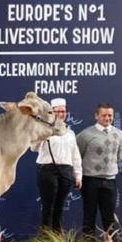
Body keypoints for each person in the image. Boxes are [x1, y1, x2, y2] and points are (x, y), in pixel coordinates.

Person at [76, 103, 122, 242]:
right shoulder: (85, 135)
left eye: (110, 115)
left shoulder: (120, 135)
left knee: (109, 217)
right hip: (90, 180)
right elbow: (78, 155)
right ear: (96, 116)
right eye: (103, 115)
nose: (107, 118)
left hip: (110, 180)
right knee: (89, 215)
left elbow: (118, 157)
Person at [31, 97, 82, 234]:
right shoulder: (44, 129)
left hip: (66, 170)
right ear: (52, 113)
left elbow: (75, 155)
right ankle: (46, 236)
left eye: (63, 111)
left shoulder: (70, 132)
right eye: (58, 111)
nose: (61, 114)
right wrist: (42, 136)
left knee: (60, 205)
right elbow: (33, 148)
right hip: (47, 169)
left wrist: (78, 175)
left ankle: (57, 236)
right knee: (48, 205)